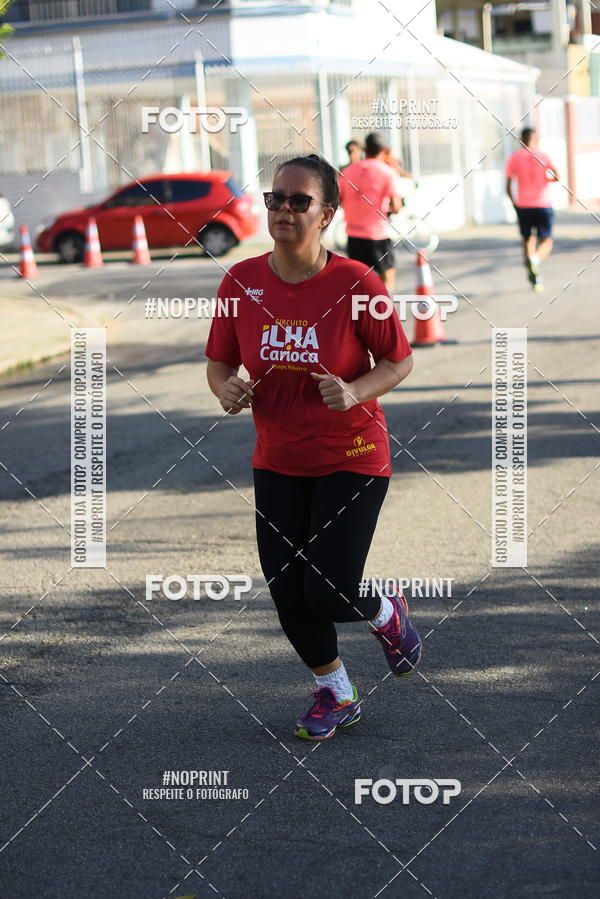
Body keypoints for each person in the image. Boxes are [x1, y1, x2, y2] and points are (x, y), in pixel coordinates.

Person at [205, 153, 422, 742]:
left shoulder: (356, 283)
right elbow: (219, 361)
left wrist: (354, 392)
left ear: (326, 213)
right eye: (276, 198)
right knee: (287, 592)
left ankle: (385, 612)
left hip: (352, 456)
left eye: (298, 201)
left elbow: (399, 360)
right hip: (277, 459)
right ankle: (337, 692)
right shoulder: (240, 282)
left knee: (324, 589)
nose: (283, 209)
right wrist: (227, 389)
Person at [338, 131, 404, 292]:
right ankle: (383, 312)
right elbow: (396, 205)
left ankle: (361, 313)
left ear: (365, 149)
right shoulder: (388, 172)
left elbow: (339, 200)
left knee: (359, 282)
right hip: (377, 235)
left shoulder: (348, 171)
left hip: (353, 236)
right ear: (383, 150)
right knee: (387, 279)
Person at [505, 127, 560, 291]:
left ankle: (535, 278)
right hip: (543, 204)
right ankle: (535, 259)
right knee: (547, 240)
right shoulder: (543, 156)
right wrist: (545, 181)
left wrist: (514, 203)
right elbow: (557, 176)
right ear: (535, 139)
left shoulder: (514, 158)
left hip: (523, 206)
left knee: (527, 240)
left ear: (521, 140)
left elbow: (507, 185)